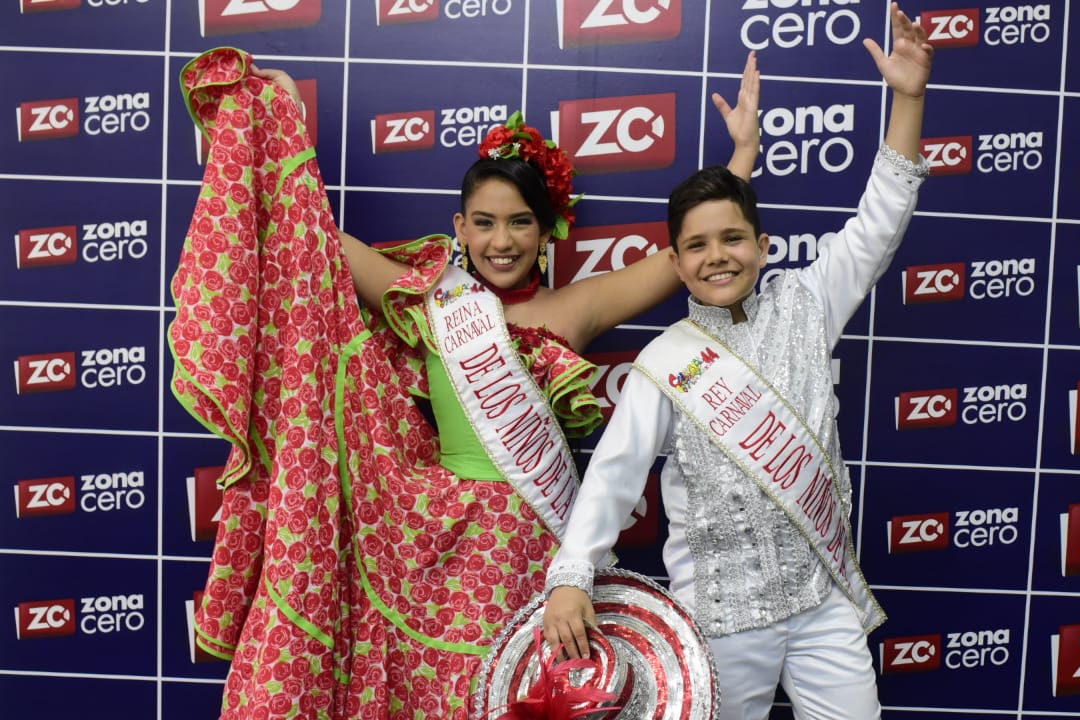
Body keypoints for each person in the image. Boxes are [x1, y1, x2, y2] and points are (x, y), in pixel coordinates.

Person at [171, 46, 759, 719]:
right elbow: (310, 236)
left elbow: (683, 255)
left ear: (546, 233)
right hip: (436, 549)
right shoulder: (429, 301)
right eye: (483, 222)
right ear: (460, 228)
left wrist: (741, 156)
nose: (500, 240)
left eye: (518, 223)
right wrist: (283, 122)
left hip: (539, 554)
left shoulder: (572, 311)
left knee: (529, 698)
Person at [541, 5, 933, 719]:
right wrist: (571, 576)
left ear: (763, 244)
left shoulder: (810, 301)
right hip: (718, 622)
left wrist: (908, 97)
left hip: (822, 606)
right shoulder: (666, 361)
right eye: (697, 246)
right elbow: (615, 476)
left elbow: (881, 221)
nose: (717, 255)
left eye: (733, 238)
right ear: (678, 264)